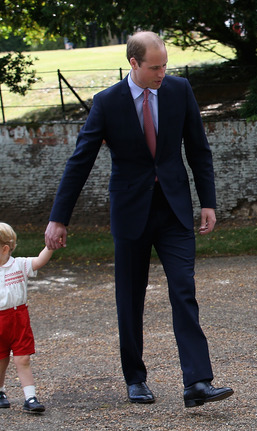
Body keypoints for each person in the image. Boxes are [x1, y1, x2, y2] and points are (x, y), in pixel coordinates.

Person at [44, 31, 233, 407]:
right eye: (155, 67)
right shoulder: (107, 103)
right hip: (130, 213)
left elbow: (199, 149)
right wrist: (59, 218)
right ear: (134, 64)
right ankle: (135, 379)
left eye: (165, 65)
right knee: (129, 299)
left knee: (184, 291)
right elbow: (80, 160)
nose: (163, 72)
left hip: (174, 209)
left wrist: (208, 201)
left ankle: (197, 382)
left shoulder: (180, 91)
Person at [0, 222, 55, 414]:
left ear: (5, 249)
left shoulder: (19, 265)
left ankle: (30, 397)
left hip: (18, 318)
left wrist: (50, 246)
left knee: (22, 358)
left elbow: (39, 261)